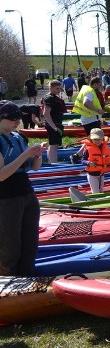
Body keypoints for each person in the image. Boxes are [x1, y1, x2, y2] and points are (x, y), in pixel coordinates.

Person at [0, 102, 45, 276]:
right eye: (12, 118)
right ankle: (7, 279)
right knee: (10, 245)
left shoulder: (19, 137)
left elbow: (34, 167)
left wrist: (38, 154)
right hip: (6, 197)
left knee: (30, 242)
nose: (18, 121)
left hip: (27, 194)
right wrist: (25, 154)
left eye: (19, 117)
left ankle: (27, 275)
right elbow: (2, 175)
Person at [71, 128, 110, 194]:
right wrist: (88, 163)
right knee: (96, 192)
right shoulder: (88, 149)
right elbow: (82, 160)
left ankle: (100, 201)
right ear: (91, 139)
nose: (97, 141)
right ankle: (96, 201)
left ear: (102, 139)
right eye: (95, 139)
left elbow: (109, 157)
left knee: (101, 190)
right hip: (92, 175)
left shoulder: (106, 147)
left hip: (102, 174)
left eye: (99, 139)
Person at [41, 80, 65, 163]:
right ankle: (54, 163)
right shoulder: (49, 98)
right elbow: (46, 114)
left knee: (54, 145)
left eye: (59, 88)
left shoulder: (53, 97)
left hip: (56, 123)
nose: (58, 90)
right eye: (56, 88)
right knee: (53, 145)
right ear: (50, 88)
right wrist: (54, 127)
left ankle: (52, 162)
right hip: (53, 124)